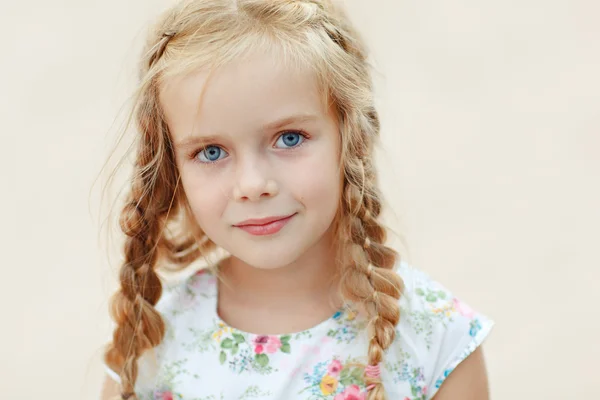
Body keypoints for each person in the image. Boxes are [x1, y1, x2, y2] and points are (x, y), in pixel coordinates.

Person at [101, 1, 494, 399]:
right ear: (172, 168)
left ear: (351, 138)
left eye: (289, 138)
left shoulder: (435, 340)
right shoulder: (150, 340)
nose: (252, 185)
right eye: (211, 152)